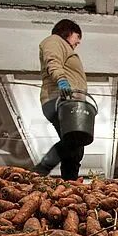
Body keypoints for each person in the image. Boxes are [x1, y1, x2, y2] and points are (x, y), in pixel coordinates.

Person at [34, 19, 88, 180]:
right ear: (69, 31)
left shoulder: (65, 47)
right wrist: (61, 80)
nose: (78, 41)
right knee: (75, 139)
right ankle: (41, 170)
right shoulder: (54, 41)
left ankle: (69, 183)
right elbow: (53, 61)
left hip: (70, 102)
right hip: (60, 99)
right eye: (77, 36)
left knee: (76, 146)